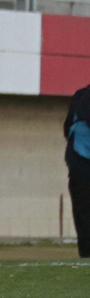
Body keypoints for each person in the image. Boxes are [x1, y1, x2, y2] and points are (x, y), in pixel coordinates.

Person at [63, 83, 90, 258]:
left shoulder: (80, 95)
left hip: (78, 161)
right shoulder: (83, 96)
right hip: (81, 161)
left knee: (83, 216)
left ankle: (86, 255)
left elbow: (67, 127)